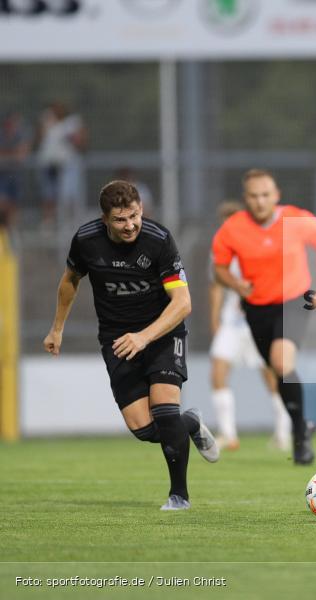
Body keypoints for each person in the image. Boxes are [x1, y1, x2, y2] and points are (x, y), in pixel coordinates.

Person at [43, 180, 219, 511]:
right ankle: (191, 423)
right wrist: (57, 329)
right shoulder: (86, 240)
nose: (130, 225)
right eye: (121, 220)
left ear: (141, 210)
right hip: (117, 340)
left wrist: (144, 336)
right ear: (104, 219)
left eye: (135, 216)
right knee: (145, 429)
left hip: (163, 333)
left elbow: (182, 303)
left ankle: (178, 496)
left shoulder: (158, 240)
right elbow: (70, 281)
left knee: (166, 412)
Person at [211, 169, 316, 465]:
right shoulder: (232, 229)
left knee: (281, 362)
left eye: (265, 195)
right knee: (277, 370)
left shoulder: (296, 218)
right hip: (256, 307)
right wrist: (236, 284)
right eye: (253, 196)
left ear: (276, 195)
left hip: (294, 300)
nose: (260, 201)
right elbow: (220, 268)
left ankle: (299, 436)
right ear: (246, 199)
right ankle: (301, 424)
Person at [209, 201, 291, 452]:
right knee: (218, 373)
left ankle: (283, 432)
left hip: (258, 321)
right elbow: (215, 287)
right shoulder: (219, 250)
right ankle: (228, 434)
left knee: (270, 377)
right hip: (232, 324)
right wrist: (215, 319)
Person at [36, 102, 87, 230]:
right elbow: (39, 139)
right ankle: (49, 223)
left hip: (66, 166)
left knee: (68, 196)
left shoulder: (73, 123)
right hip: (49, 164)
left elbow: (81, 143)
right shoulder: (47, 120)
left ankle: (71, 222)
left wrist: (72, 138)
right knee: (48, 195)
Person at [0, 110, 33, 226]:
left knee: (14, 205)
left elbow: (22, 155)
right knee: (3, 203)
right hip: (2, 176)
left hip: (16, 176)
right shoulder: (2, 135)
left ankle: (12, 230)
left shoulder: (21, 135)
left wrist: (8, 154)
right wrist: (13, 153)